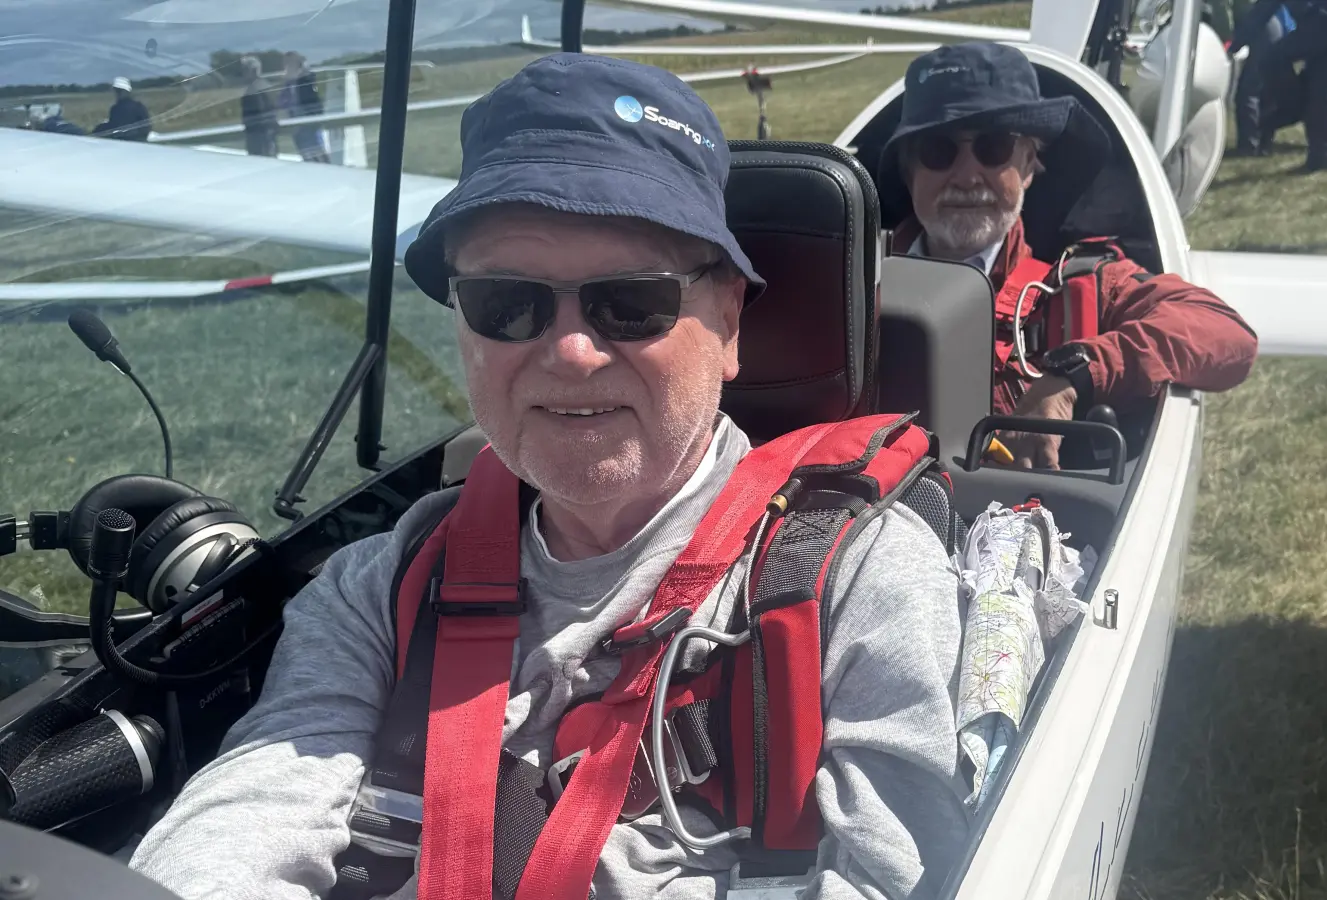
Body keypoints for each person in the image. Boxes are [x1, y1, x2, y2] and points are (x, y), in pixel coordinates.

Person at [127, 53, 969, 900]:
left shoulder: (855, 583)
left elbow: (901, 880)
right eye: (507, 303)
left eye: (630, 300)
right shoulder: (382, 588)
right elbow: (240, 815)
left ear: (726, 319)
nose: (569, 352)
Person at [878, 42, 1259, 470]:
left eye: (994, 148)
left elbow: (1227, 335)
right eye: (937, 151)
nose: (966, 176)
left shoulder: (1080, 287)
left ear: (1028, 164)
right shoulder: (848, 288)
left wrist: (1075, 375)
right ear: (909, 172)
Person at [1232, 0, 1327, 171]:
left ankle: (1294, 108)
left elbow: (1263, 10)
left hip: (1323, 19)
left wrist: (1234, 45)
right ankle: (1323, 157)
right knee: (1325, 85)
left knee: (1273, 59)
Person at [1234, 3, 1300, 156]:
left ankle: (1249, 145)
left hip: (1262, 27)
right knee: (1268, 89)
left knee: (1249, 91)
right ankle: (1264, 142)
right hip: (1278, 27)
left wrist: (1233, 43)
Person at [279, 51, 330, 162]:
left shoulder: (305, 83)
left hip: (308, 128)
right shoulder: (291, 85)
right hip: (298, 128)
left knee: (317, 154)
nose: (285, 70)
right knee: (307, 155)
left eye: (288, 66)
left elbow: (315, 106)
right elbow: (282, 103)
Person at [239, 55, 279, 157]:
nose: (243, 73)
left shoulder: (255, 89)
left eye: (245, 69)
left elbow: (261, 115)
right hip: (262, 135)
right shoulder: (263, 86)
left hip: (259, 137)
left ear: (253, 71)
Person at [92, 76, 150, 141]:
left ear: (126, 92)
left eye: (119, 91)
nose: (117, 93)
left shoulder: (118, 108)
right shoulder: (116, 108)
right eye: (116, 91)